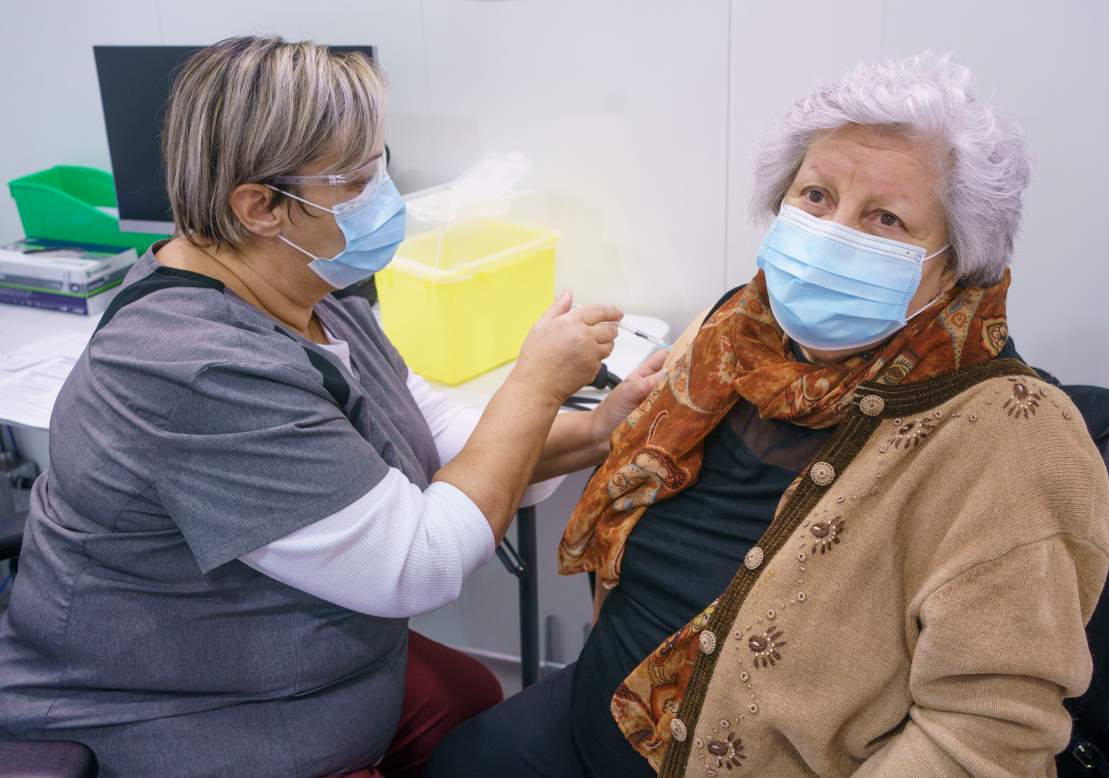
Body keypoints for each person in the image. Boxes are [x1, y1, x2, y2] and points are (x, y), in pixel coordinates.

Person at [428, 51, 1109, 777]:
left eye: (885, 217)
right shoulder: (733, 333)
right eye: (816, 196)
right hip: (595, 711)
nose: (834, 233)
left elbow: (982, 740)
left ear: (955, 266)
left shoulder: (1013, 441)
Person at [0, 37, 664, 777]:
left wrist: (597, 428)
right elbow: (419, 562)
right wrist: (533, 386)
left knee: (471, 696)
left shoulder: (306, 292)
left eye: (379, 163)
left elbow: (428, 431)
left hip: (303, 672)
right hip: (173, 711)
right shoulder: (190, 369)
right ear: (258, 207)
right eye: (356, 178)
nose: (384, 197)